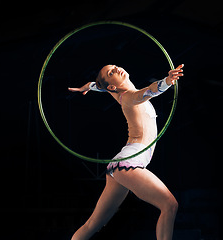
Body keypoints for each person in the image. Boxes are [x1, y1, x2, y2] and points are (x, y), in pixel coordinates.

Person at [68, 64, 184, 240]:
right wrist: (167, 81)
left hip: (120, 165)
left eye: (114, 66)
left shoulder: (118, 94)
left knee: (93, 224)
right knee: (169, 205)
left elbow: (102, 88)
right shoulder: (130, 97)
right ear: (112, 86)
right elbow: (150, 91)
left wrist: (88, 86)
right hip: (129, 163)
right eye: (111, 73)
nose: (116, 69)